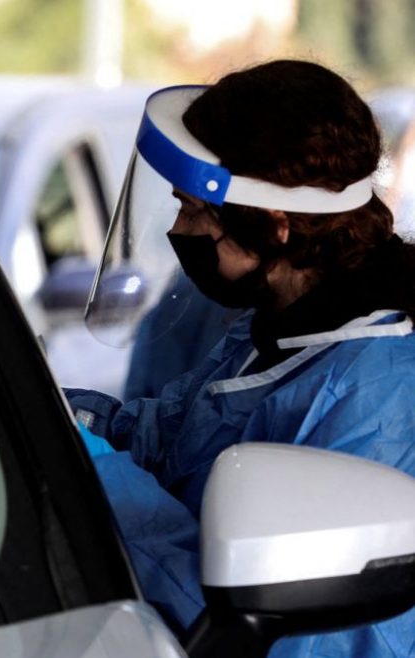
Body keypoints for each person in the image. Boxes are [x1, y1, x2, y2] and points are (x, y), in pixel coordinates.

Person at [70, 59, 415, 657]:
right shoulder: (283, 328)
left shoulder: (373, 401)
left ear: (276, 227)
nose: (180, 228)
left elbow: (273, 633)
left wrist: (99, 478)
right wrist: (38, 411)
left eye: (193, 210)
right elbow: (170, 446)